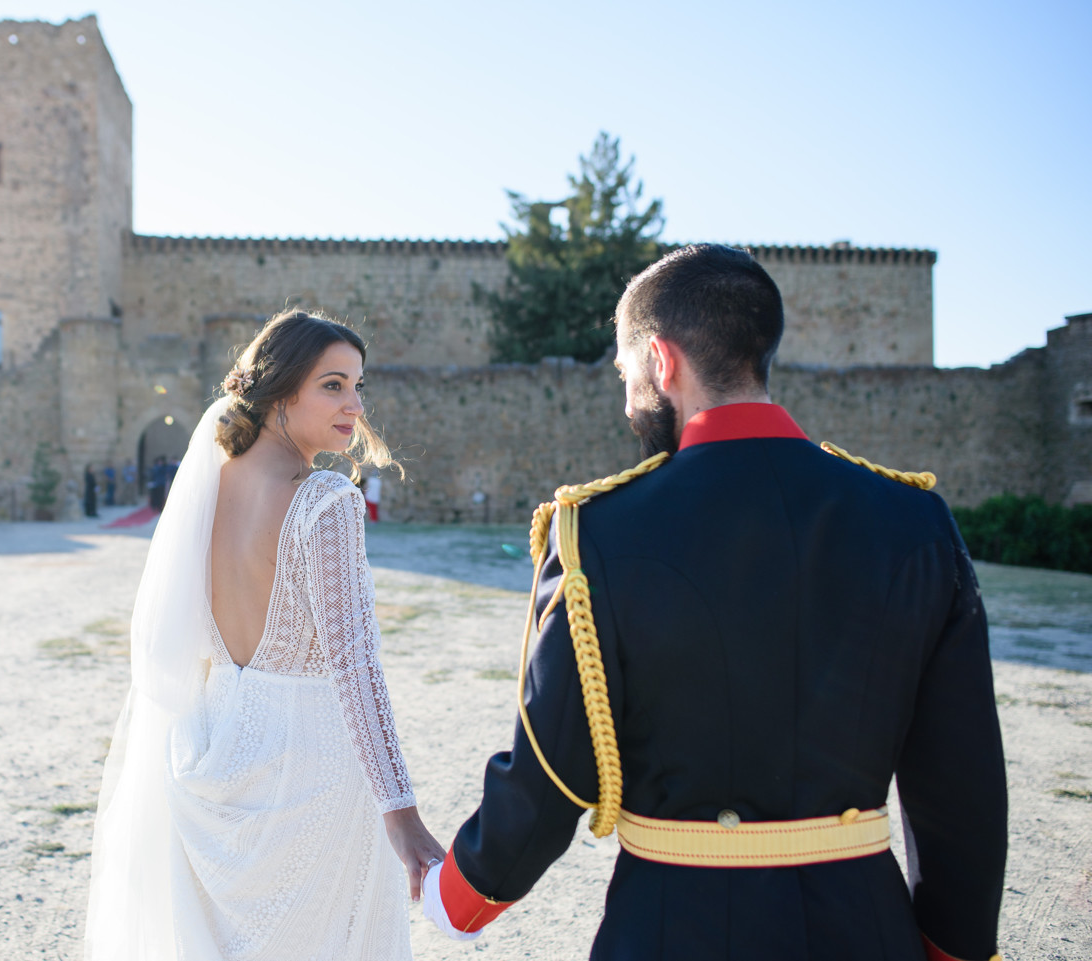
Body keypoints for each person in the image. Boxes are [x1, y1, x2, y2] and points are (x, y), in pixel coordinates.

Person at [423, 245, 1007, 961]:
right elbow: (963, 793)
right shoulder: (916, 522)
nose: (627, 399)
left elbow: (549, 775)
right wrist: (954, 951)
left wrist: (455, 895)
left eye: (626, 375)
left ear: (662, 362)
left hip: (671, 928)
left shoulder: (597, 533)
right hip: (867, 930)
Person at [86, 309, 443, 960]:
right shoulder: (325, 499)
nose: (355, 405)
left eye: (358, 386)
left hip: (217, 735)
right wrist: (402, 813)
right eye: (333, 385)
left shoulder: (209, 487)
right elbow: (356, 665)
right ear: (281, 391)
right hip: (312, 760)